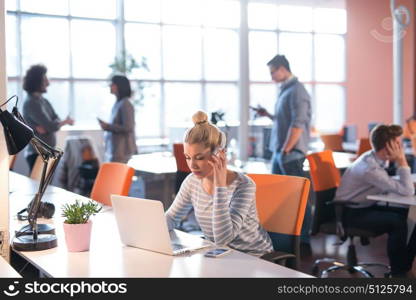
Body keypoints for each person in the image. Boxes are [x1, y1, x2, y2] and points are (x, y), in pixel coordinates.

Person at [165, 111, 273, 257]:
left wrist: (220, 186)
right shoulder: (192, 181)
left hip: (254, 256)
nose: (192, 165)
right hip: (219, 254)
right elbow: (172, 217)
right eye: (187, 157)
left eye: (199, 158)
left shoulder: (244, 186)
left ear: (219, 154)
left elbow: (223, 238)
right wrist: (148, 230)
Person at [335, 124, 416, 277]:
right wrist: (402, 161)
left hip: (364, 205)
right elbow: (407, 190)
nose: (400, 148)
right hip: (350, 212)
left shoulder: (375, 158)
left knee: (409, 214)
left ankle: (403, 265)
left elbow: (392, 184)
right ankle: (398, 273)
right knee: (397, 222)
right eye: (398, 144)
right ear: (388, 146)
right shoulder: (370, 168)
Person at [255, 54, 312, 244]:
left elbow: (299, 123)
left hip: (290, 154)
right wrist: (269, 115)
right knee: (279, 199)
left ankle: (301, 240)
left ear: (282, 69)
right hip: (281, 152)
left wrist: (287, 149)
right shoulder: (285, 90)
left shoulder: (297, 91)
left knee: (296, 200)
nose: (271, 77)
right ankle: (281, 239)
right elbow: (285, 120)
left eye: (273, 72)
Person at [22, 64, 74, 172]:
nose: (48, 83)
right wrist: (61, 122)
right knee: (38, 187)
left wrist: (54, 124)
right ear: (37, 82)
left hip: (46, 152)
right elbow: (52, 126)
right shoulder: (32, 102)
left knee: (45, 186)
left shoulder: (43, 100)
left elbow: (55, 120)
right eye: (45, 80)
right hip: (37, 153)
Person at [98, 75, 137, 163]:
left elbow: (128, 127)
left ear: (119, 86)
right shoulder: (118, 103)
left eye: (112, 84)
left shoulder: (125, 104)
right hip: (116, 151)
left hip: (122, 152)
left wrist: (108, 127)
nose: (110, 86)